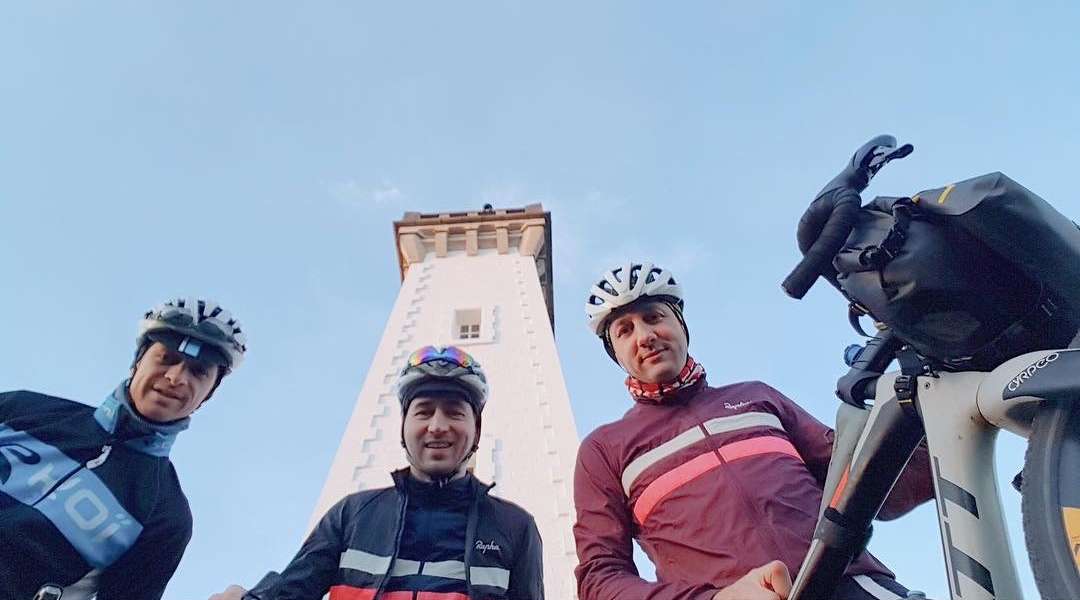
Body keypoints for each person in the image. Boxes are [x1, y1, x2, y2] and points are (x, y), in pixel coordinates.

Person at [573, 262, 934, 600]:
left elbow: (864, 479)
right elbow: (599, 577)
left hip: (848, 583)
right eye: (625, 330)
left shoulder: (757, 397)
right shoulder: (604, 449)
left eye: (654, 318)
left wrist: (938, 413)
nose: (646, 336)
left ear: (681, 324)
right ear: (615, 353)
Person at [211, 344, 544, 600]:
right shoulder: (352, 513)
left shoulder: (515, 526)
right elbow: (292, 591)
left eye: (455, 413)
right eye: (424, 412)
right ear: (403, 426)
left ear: (476, 430)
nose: (438, 426)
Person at [0, 297, 248, 600]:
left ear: (208, 395)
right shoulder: (24, 408)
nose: (176, 378)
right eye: (167, 358)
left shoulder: (166, 515)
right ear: (137, 361)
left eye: (198, 372)